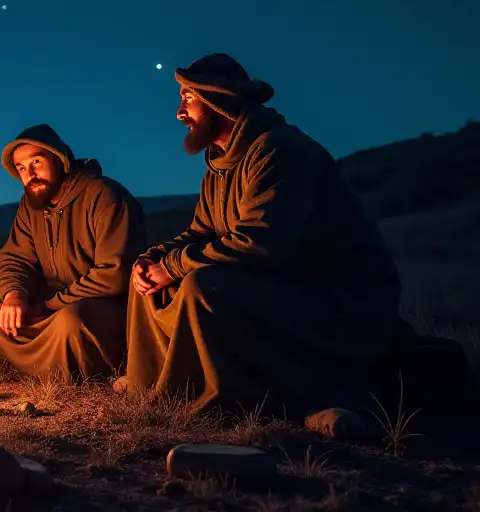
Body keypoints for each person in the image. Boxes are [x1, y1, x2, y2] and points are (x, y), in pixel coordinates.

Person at [119, 53, 403, 416]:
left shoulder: (281, 150)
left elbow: (260, 242)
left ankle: (235, 399)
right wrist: (155, 258)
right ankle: (157, 385)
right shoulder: (220, 167)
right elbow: (201, 232)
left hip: (333, 297)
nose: (179, 112)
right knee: (149, 277)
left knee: (202, 286)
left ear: (218, 100)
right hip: (276, 283)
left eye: (188, 98)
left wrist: (172, 266)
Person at [0, 124, 147, 380]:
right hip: (49, 307)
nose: (29, 174)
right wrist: (14, 295)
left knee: (70, 321)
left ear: (60, 161)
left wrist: (50, 305)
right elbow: (16, 258)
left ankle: (68, 376)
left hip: (98, 308)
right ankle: (8, 373)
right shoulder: (30, 206)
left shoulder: (105, 196)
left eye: (37, 162)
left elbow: (114, 274)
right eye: (21, 168)